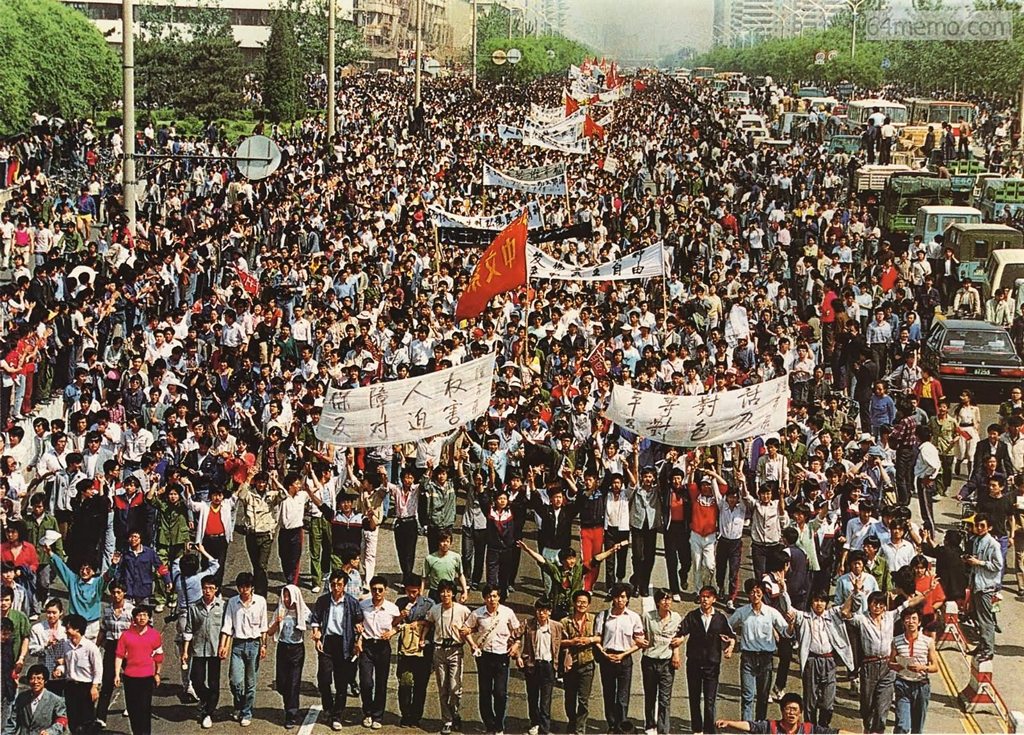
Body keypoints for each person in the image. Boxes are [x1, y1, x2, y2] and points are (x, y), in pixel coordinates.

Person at [674, 585, 736, 735]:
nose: (704, 600)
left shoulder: (720, 618)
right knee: (694, 698)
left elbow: (731, 635)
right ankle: (697, 729)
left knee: (709, 700)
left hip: (712, 665)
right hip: (694, 663)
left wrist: (730, 646)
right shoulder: (692, 616)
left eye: (708, 597)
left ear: (714, 599)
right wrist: (678, 644)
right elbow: (680, 631)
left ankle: (709, 730)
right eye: (702, 596)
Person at [728, 579, 793, 722]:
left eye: (758, 591)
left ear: (762, 593)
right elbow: (727, 627)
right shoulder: (742, 612)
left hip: (766, 659)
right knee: (747, 696)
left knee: (763, 697)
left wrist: (791, 624)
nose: (755, 595)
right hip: (748, 658)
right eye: (752, 592)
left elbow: (786, 632)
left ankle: (760, 726)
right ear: (747, 595)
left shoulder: (771, 613)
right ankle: (747, 727)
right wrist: (731, 641)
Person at [786, 593, 853, 727]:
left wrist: (855, 592)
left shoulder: (832, 615)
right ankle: (810, 728)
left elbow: (845, 608)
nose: (819, 604)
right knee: (810, 700)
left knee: (828, 702)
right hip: (811, 660)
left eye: (822, 601)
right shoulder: (804, 617)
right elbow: (789, 608)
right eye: (816, 600)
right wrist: (783, 589)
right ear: (811, 602)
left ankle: (823, 727)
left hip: (829, 661)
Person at [462, 584, 522, 735]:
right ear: (484, 598)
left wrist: (516, 645)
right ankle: (489, 724)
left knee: (500, 692)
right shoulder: (477, 613)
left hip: (502, 655)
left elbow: (518, 631)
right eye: (488, 596)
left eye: (494, 596)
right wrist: (472, 644)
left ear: (499, 597)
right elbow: (465, 629)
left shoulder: (507, 613)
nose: (491, 599)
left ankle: (499, 724)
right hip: (484, 656)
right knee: (485, 691)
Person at [309, 569, 364, 731]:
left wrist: (357, 639)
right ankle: (328, 707)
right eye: (333, 584)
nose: (336, 588)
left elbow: (359, 622)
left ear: (345, 586)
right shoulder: (323, 601)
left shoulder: (352, 603)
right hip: (327, 642)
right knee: (324, 678)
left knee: (341, 683)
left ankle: (337, 715)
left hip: (344, 644)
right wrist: (316, 634)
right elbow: (315, 619)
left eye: (339, 584)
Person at [594, 582, 647, 735]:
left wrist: (623, 654)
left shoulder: (633, 617)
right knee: (609, 693)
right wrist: (604, 653)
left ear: (628, 599)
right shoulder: (603, 616)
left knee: (622, 696)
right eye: (617, 597)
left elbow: (639, 642)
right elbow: (597, 638)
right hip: (607, 658)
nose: (620, 600)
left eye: (623, 597)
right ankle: (611, 725)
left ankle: (622, 727)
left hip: (625, 659)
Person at [218, 572, 268, 727]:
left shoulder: (260, 602)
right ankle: (239, 704)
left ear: (252, 587)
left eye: (247, 587)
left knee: (250, 683)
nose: (244, 590)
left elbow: (263, 626)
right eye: (241, 587)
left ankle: (246, 712)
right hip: (238, 645)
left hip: (254, 644)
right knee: (235, 681)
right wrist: (223, 646)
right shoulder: (232, 603)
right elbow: (227, 626)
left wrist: (264, 645)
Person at [423, 579, 472, 735]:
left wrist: (467, 634)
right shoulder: (435, 609)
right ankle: (447, 720)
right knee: (443, 688)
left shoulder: (462, 610)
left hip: (455, 650)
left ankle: (455, 711)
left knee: (454, 688)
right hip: (439, 650)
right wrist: (423, 638)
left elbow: (472, 624)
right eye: (442, 592)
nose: (445, 595)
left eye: (448, 592)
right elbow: (427, 623)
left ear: (453, 593)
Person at [181, 574, 224, 729]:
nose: (207, 591)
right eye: (205, 588)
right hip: (198, 649)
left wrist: (224, 646)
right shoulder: (194, 607)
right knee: (196, 679)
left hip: (214, 650)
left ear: (216, 590)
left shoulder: (222, 606)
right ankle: (206, 699)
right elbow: (189, 630)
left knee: (214, 682)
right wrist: (185, 651)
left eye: (211, 588)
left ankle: (208, 713)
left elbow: (226, 630)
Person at [516, 596, 564, 735]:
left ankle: (545, 727)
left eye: (544, 610)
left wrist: (564, 661)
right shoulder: (528, 624)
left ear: (549, 612)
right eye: (538, 610)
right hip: (532, 664)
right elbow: (513, 637)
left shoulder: (557, 626)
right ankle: (534, 723)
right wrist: (518, 655)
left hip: (548, 665)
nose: (541, 614)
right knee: (532, 696)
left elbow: (565, 643)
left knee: (546, 698)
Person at [113, 604, 163, 735]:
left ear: (149, 618)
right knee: (132, 708)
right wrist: (117, 674)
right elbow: (119, 655)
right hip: (130, 676)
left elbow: (159, 656)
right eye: (139, 615)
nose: (142, 618)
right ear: (134, 618)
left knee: (145, 708)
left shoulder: (155, 635)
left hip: (147, 677)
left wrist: (157, 673)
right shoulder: (126, 635)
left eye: (145, 615)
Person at [358, 575, 400, 729]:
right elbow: (357, 620)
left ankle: (377, 716)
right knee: (366, 681)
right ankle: (367, 712)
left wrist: (392, 632)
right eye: (374, 589)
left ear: (386, 591)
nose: (377, 592)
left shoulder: (392, 608)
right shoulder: (363, 605)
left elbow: (399, 624)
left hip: (383, 647)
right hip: (367, 647)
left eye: (380, 590)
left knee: (381, 683)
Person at [267, 584, 311, 728]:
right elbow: (269, 632)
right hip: (282, 648)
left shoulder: (302, 611)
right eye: (284, 596)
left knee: (293, 682)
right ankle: (289, 705)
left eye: (288, 596)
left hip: (297, 649)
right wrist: (277, 622)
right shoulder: (280, 610)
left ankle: (291, 714)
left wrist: (317, 632)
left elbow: (315, 621)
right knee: (282, 683)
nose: (286, 599)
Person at [639, 589, 683, 735]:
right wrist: (641, 641)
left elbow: (678, 637)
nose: (667, 602)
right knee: (650, 695)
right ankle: (650, 725)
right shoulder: (647, 616)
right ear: (658, 602)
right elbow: (640, 633)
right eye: (664, 599)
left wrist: (676, 653)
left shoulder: (676, 618)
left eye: (669, 599)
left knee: (665, 698)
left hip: (667, 663)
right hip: (650, 660)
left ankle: (664, 729)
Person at [890, 608, 938, 734]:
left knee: (917, 728)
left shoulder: (928, 642)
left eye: (914, 619)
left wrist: (922, 668)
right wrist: (896, 666)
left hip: (921, 685)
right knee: (902, 725)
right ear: (903, 622)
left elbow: (935, 667)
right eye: (907, 619)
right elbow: (890, 662)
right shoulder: (896, 641)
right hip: (902, 685)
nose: (910, 622)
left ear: (919, 622)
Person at [395, 574, 434, 727]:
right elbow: (392, 624)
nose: (412, 595)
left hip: (423, 650)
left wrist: (419, 622)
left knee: (420, 685)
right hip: (405, 650)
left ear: (420, 590)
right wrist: (400, 616)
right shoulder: (400, 603)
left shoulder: (428, 604)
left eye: (415, 592)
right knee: (405, 683)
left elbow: (433, 623)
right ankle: (405, 714)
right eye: (409, 592)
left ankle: (416, 716)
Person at [560, 589, 599, 735]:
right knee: (569, 698)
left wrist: (589, 640)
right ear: (574, 603)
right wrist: (571, 642)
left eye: (584, 602)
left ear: (589, 605)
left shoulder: (593, 620)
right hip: (570, 665)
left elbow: (600, 637)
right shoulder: (565, 621)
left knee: (583, 700)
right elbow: (557, 641)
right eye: (579, 602)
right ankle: (572, 721)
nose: (581, 605)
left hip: (587, 664)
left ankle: (579, 729)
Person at [965, 513, 1003, 662]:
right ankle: (982, 644)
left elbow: (998, 565)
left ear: (989, 527)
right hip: (976, 583)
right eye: (977, 525)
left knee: (986, 619)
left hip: (986, 586)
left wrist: (979, 563)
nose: (979, 528)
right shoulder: (976, 541)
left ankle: (988, 649)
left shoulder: (993, 544)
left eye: (982, 526)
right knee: (978, 618)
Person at [715, 691, 849, 734]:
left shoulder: (809, 729)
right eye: (788, 709)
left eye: (794, 710)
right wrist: (728, 723)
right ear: (782, 711)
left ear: (800, 713)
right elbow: (751, 726)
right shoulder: (771, 726)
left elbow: (835, 733)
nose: (791, 714)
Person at [94, 582, 133, 728]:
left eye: (119, 592)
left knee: (130, 680)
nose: (116, 595)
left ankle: (131, 707)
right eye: (113, 592)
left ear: (124, 593)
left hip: (128, 648)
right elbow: (103, 629)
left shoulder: (130, 610)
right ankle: (100, 717)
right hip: (111, 647)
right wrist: (96, 647)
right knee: (107, 681)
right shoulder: (107, 610)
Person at [59, 613, 103, 735]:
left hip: (86, 686)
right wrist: (60, 669)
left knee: (86, 720)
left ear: (77, 629)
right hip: (70, 686)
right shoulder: (65, 645)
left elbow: (97, 669)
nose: (66, 631)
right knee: (73, 719)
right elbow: (65, 663)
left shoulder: (90, 647)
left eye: (68, 628)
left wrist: (94, 687)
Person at [13, 664, 68, 735]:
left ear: (45, 681)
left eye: (39, 678)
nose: (35, 682)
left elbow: (62, 720)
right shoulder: (22, 697)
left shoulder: (56, 700)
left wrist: (50, 732)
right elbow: (12, 721)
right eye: (32, 678)